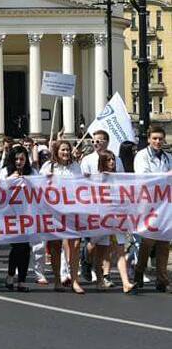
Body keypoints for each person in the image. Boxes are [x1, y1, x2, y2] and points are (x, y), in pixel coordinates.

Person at [41, 139, 84, 293]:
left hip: (72, 210)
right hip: (54, 211)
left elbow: (81, 185)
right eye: (62, 150)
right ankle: (57, 279)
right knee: (55, 245)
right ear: (56, 152)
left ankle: (74, 280)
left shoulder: (75, 166)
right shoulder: (48, 167)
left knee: (75, 244)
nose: (66, 152)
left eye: (67, 150)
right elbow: (38, 187)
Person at [91, 150, 137, 294]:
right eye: (108, 160)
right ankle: (99, 279)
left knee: (120, 251)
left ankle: (125, 283)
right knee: (100, 251)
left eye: (113, 160)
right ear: (102, 162)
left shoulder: (119, 178)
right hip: (102, 220)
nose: (111, 162)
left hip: (117, 220)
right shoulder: (96, 179)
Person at [132, 126, 170, 292]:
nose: (157, 141)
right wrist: (167, 176)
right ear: (148, 139)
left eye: (160, 138)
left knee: (164, 241)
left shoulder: (168, 157)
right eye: (154, 138)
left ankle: (162, 279)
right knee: (148, 241)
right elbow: (144, 177)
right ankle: (139, 271)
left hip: (165, 205)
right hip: (148, 204)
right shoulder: (141, 156)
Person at [0, 146, 36, 292]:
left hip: (27, 215)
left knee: (25, 248)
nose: (19, 162)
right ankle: (10, 275)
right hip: (11, 215)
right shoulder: (5, 172)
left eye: (22, 159)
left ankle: (21, 280)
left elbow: (41, 187)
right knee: (17, 247)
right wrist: (9, 180)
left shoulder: (32, 173)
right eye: (16, 159)